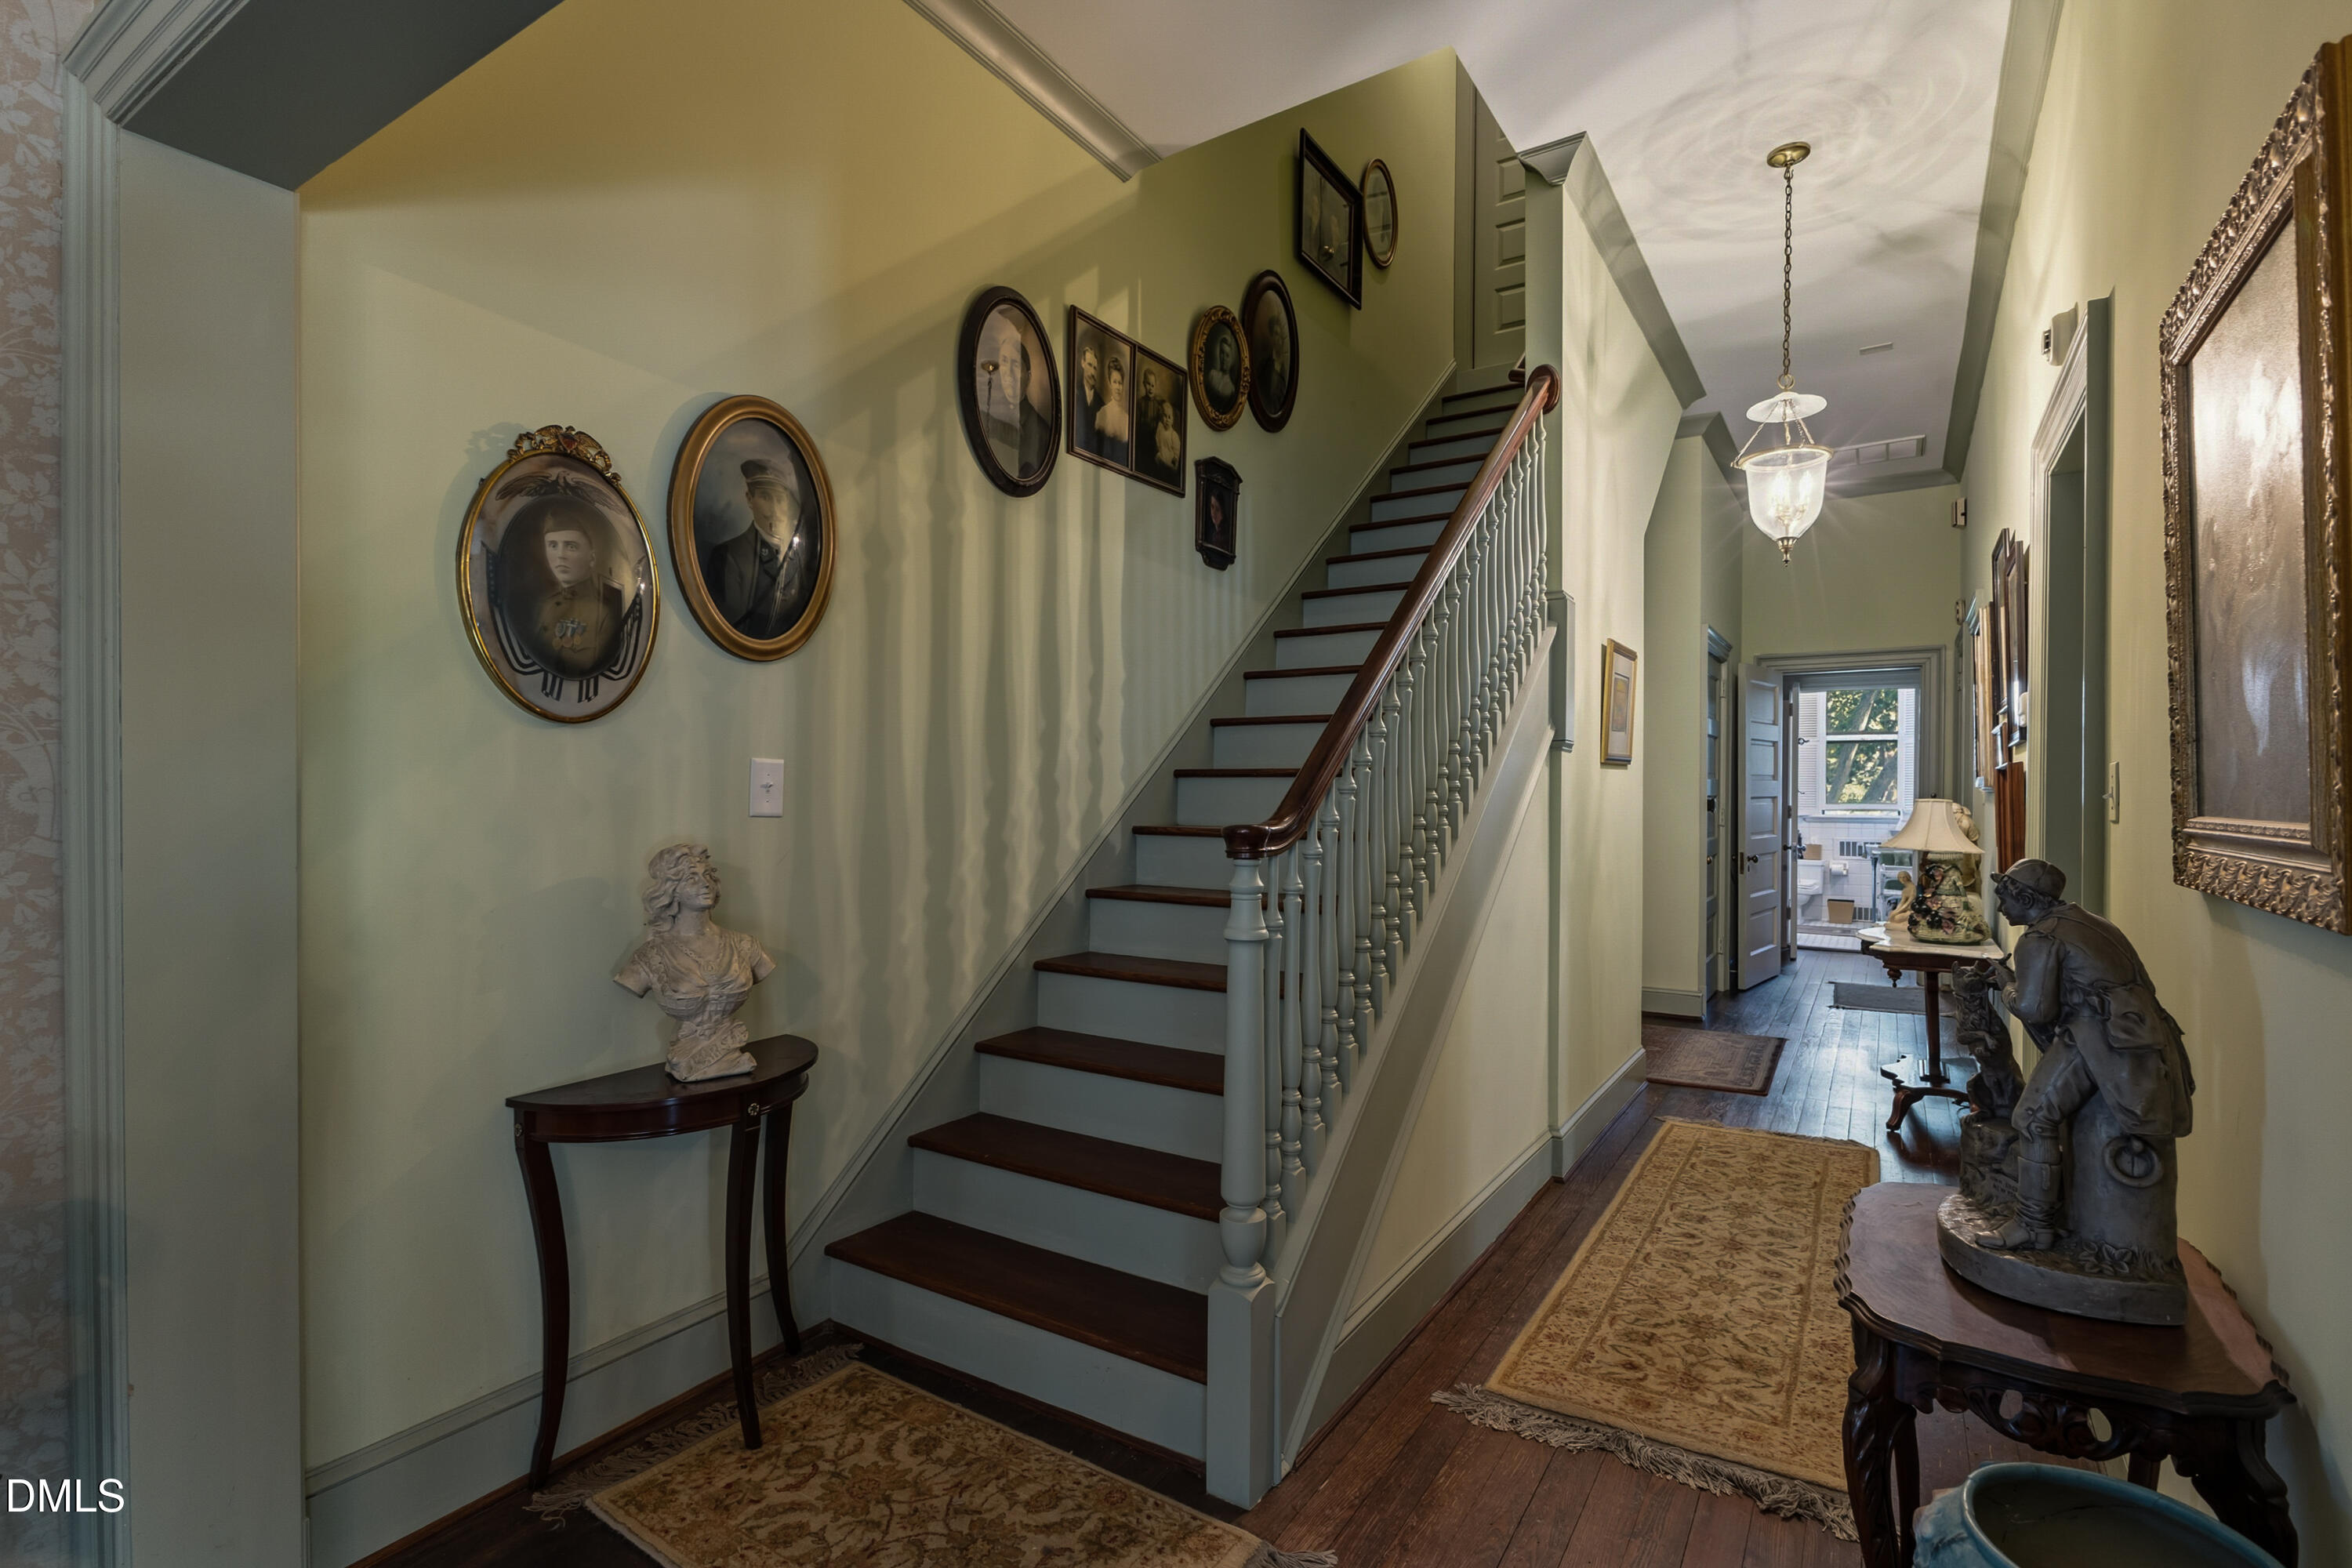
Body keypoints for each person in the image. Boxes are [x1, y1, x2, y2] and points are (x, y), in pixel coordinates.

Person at [1980, 858, 2196, 1250]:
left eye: (2004, 899)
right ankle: (2063, 1216)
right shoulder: (2094, 923)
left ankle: (2033, 1224)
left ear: (2025, 898)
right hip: (2144, 1037)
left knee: (2032, 1118)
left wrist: (2007, 984)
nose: (2000, 908)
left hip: (2098, 1036)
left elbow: (2034, 1008)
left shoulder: (2040, 938)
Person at [702, 457, 819, 641]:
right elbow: (733, 628)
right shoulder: (728, 555)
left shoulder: (798, 556)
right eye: (765, 497)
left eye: (780, 499)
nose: (775, 509)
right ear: (750, 499)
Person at [511, 496, 625, 678]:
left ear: (592, 558)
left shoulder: (604, 614)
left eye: (571, 547)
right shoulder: (545, 606)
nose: (560, 555)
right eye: (553, 545)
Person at [978, 310, 1052, 477]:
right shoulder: (987, 416)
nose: (1009, 372)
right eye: (1004, 362)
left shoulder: (1041, 431)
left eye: (1016, 365)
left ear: (1028, 377)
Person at [1094, 354, 1131, 467]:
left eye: (1120, 383)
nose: (1118, 387)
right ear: (1110, 383)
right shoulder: (1102, 413)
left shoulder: (1127, 419)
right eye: (1115, 382)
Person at [1073, 342, 1105, 456]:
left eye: (1095, 368)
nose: (1092, 372)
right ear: (1082, 363)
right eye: (1090, 365)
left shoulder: (1101, 404)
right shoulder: (1073, 392)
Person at [1258, 306, 1291, 411]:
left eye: (1281, 335)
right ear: (1272, 337)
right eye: (1276, 334)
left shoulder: (1286, 370)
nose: (1279, 339)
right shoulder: (1263, 364)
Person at [1204, 325, 1240, 411]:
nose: (1224, 358)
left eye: (1227, 355)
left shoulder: (1231, 389)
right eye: (1222, 353)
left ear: (1231, 359)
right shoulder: (1212, 375)